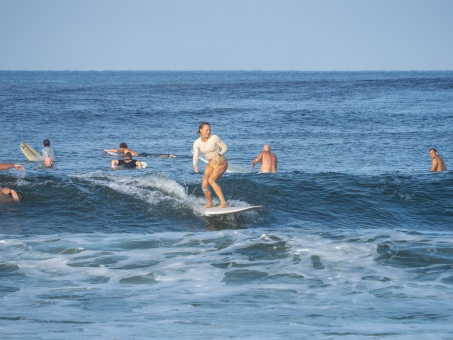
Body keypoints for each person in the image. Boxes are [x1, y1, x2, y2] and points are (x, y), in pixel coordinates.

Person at [193, 122, 229, 208]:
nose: (208, 132)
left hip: (221, 162)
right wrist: (195, 165)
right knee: (204, 185)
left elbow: (225, 147)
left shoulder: (214, 138)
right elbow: (195, 156)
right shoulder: (197, 143)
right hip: (211, 163)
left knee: (211, 180)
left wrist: (219, 155)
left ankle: (223, 203)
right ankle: (210, 203)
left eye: (209, 130)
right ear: (201, 130)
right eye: (206, 130)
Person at [105, 142, 176, 158]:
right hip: (141, 154)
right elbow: (118, 151)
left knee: (156, 156)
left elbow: (117, 151)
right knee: (156, 155)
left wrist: (108, 150)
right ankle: (169, 155)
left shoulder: (124, 149)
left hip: (140, 156)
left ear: (122, 147)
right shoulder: (127, 149)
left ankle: (169, 156)